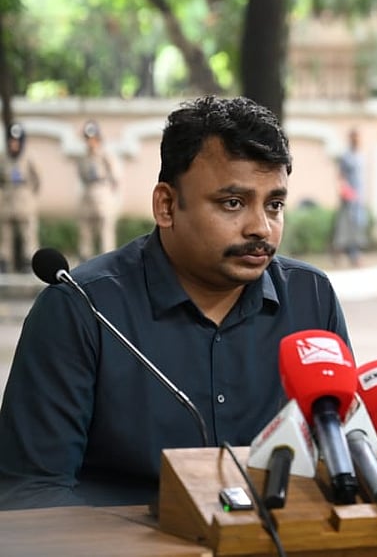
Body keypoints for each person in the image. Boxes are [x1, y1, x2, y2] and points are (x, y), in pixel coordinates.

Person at [0, 96, 351, 510]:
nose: (261, 227)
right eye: (232, 203)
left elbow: (339, 455)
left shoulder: (311, 298)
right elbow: (32, 494)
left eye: (274, 205)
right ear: (166, 205)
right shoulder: (80, 310)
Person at [76, 120, 120, 261]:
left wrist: (110, 193)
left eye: (93, 138)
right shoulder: (83, 157)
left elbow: (115, 176)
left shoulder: (106, 155)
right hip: (88, 192)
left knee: (105, 229)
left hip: (103, 191)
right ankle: (85, 256)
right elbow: (81, 175)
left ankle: (107, 258)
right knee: (85, 229)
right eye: (87, 139)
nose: (90, 142)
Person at [0, 123, 40, 273]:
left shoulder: (30, 156)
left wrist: (30, 194)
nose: (14, 144)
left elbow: (37, 180)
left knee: (28, 233)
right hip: (9, 198)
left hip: (25, 198)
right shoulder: (4, 158)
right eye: (11, 141)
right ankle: (5, 261)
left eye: (17, 141)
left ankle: (29, 261)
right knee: (6, 233)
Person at [330, 127, 367, 267]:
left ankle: (354, 256)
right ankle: (340, 253)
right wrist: (345, 190)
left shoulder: (360, 155)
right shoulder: (346, 156)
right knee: (345, 227)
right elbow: (341, 176)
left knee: (357, 226)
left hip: (359, 199)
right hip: (349, 198)